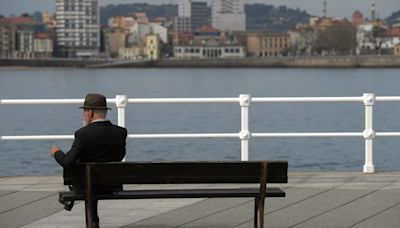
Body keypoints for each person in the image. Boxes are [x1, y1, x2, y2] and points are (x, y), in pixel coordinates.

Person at [50, 93, 127, 228]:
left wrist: (57, 153)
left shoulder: (83, 134)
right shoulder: (121, 132)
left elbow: (67, 162)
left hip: (87, 185)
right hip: (112, 185)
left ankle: (90, 219)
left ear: (90, 112)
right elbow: (120, 155)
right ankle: (93, 220)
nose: (83, 114)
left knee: (83, 168)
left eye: (84, 111)